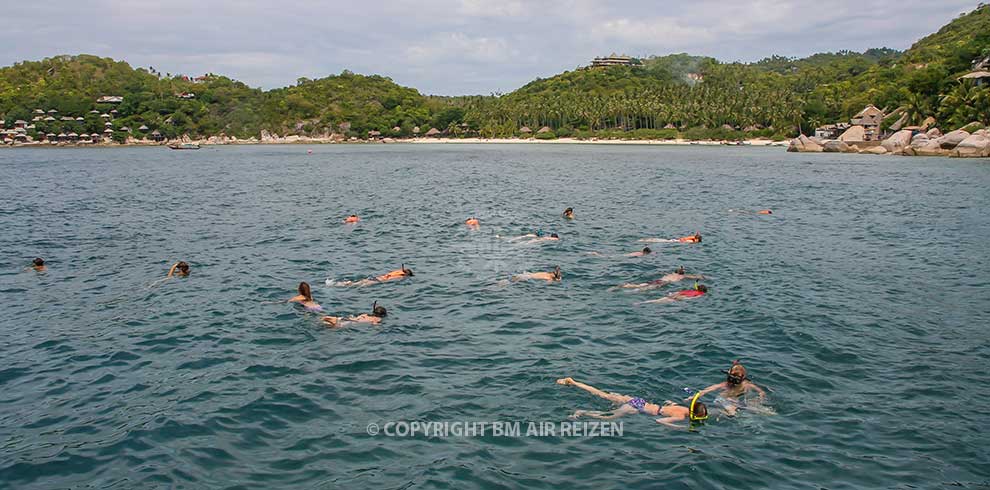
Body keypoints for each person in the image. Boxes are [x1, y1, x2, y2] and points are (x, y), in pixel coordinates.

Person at [556, 377, 708, 428]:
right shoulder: (681, 418)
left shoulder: (683, 408)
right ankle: (581, 412)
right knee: (607, 417)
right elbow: (660, 421)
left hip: (638, 400)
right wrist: (676, 427)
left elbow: (669, 404)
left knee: (602, 394)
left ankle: (574, 382)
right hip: (636, 407)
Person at [691, 360, 767, 416]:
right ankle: (720, 412)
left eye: (736, 380)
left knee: (765, 411)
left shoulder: (746, 385)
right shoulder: (725, 385)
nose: (733, 383)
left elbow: (761, 392)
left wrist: (760, 398)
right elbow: (708, 390)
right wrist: (695, 396)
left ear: (742, 378)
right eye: (731, 379)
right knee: (732, 413)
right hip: (723, 400)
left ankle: (725, 411)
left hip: (737, 402)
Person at [616, 267, 704, 290]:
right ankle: (631, 290)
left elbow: (663, 273)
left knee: (643, 285)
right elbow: (693, 276)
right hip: (664, 283)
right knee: (646, 288)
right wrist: (701, 277)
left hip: (660, 280)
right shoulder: (682, 276)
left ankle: (628, 285)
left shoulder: (671, 273)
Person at [331, 265, 414, 287]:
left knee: (361, 282)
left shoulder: (398, 272)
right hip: (379, 281)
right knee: (359, 284)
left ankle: (345, 283)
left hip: (378, 277)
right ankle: (345, 284)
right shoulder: (400, 276)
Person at [640, 284, 708, 304]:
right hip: (681, 297)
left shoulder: (690, 290)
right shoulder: (700, 294)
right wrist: (684, 299)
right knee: (658, 302)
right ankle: (641, 303)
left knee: (658, 300)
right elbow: (692, 298)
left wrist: (672, 294)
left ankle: (642, 302)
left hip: (676, 294)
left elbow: (680, 292)